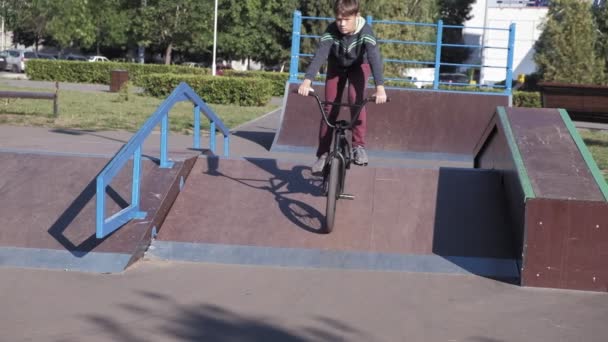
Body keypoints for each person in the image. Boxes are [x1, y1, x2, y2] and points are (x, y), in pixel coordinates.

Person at [298, 0, 387, 174]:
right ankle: (322, 155)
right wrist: (307, 81)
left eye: (347, 19)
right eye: (339, 19)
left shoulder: (365, 31)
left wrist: (380, 88)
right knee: (329, 107)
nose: (342, 24)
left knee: (356, 101)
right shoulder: (331, 30)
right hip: (336, 67)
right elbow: (320, 55)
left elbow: (375, 58)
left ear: (357, 16)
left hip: (359, 66)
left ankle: (358, 147)